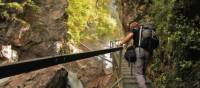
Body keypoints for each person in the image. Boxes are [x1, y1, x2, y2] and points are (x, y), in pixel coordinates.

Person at [119, 21, 151, 88]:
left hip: (139, 51)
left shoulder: (136, 30)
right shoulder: (147, 31)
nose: (130, 29)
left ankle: (143, 86)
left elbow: (129, 37)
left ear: (133, 27)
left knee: (139, 73)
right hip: (148, 52)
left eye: (131, 28)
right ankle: (143, 83)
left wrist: (121, 43)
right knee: (143, 71)